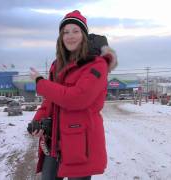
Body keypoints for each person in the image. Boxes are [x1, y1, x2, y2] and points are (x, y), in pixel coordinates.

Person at [29, 10, 117, 180]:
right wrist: (37, 121)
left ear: (84, 35)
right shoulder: (58, 65)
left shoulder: (97, 64)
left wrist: (41, 82)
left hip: (81, 143)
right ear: (60, 37)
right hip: (54, 141)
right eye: (65, 32)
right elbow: (50, 100)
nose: (70, 36)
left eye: (75, 31)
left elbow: (77, 98)